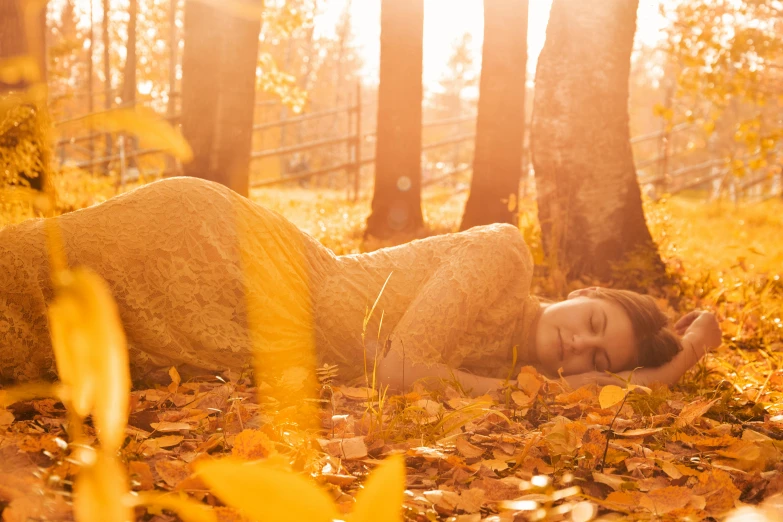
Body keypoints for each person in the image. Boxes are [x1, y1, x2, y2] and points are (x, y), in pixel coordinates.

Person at [0, 177, 721, 393]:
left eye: (596, 361)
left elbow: (402, 370)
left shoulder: (505, 361)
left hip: (243, 327)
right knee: (32, 274)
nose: (576, 349)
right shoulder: (503, 257)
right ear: (583, 295)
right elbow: (402, 368)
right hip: (218, 251)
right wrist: (545, 393)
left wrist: (676, 363)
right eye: (592, 325)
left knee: (38, 350)